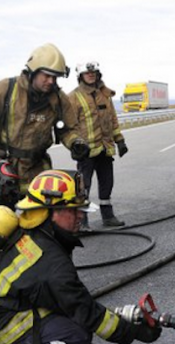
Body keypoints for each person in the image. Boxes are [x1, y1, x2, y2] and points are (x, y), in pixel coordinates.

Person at [0, 169, 162, 344]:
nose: (80, 216)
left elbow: (70, 301)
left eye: (81, 210)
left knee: (70, 313)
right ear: (48, 212)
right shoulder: (52, 261)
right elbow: (86, 311)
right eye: (72, 210)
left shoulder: (30, 229)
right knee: (77, 335)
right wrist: (133, 332)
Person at [0, 43, 89, 214]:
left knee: (39, 227)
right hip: (4, 169)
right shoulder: (6, 89)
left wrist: (76, 143)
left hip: (37, 169)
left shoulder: (59, 98)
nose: (51, 81)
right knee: (0, 226)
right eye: (47, 76)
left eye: (55, 77)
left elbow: (68, 129)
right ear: (33, 71)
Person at [68, 61, 128, 228]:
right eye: (87, 73)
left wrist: (120, 141)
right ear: (80, 76)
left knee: (107, 182)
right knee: (83, 187)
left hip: (105, 148)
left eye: (93, 73)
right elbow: (69, 125)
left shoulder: (104, 94)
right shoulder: (73, 97)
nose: (91, 75)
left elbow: (113, 120)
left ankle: (108, 216)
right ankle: (82, 221)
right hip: (86, 151)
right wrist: (75, 144)